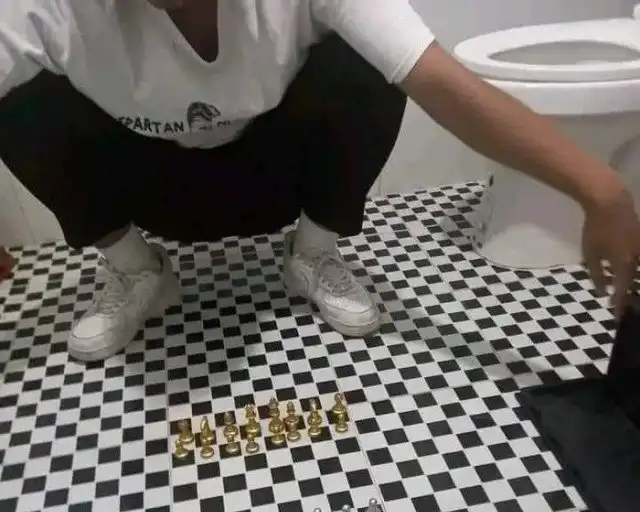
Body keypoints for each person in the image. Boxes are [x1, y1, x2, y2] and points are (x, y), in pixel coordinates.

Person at [1, 0, 638, 363]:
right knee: (20, 102)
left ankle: (312, 256)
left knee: (370, 64)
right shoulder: (44, 7)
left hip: (275, 180)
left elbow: (439, 81)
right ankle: (137, 270)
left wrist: (600, 189)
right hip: (149, 187)